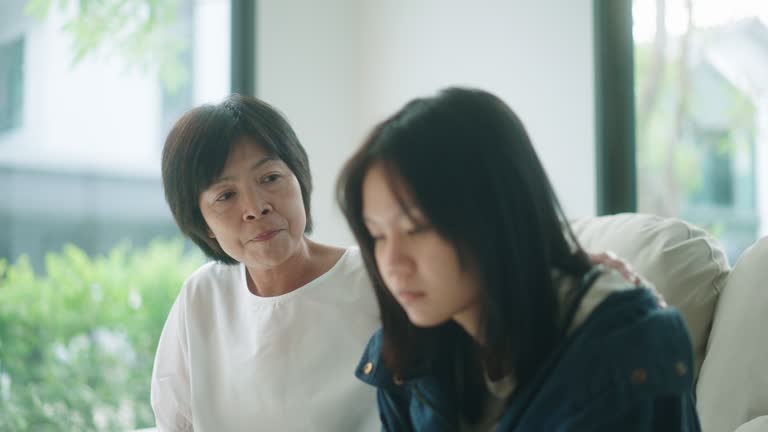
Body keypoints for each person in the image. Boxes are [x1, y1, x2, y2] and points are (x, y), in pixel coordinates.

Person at [336, 87, 700, 431]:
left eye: (416, 228)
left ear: (494, 216)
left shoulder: (623, 351)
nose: (393, 264)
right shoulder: (408, 351)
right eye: (378, 235)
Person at [150, 94, 380, 431]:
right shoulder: (203, 296)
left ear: (299, 178)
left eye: (270, 178)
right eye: (225, 196)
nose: (256, 207)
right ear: (203, 225)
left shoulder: (375, 279)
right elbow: (174, 424)